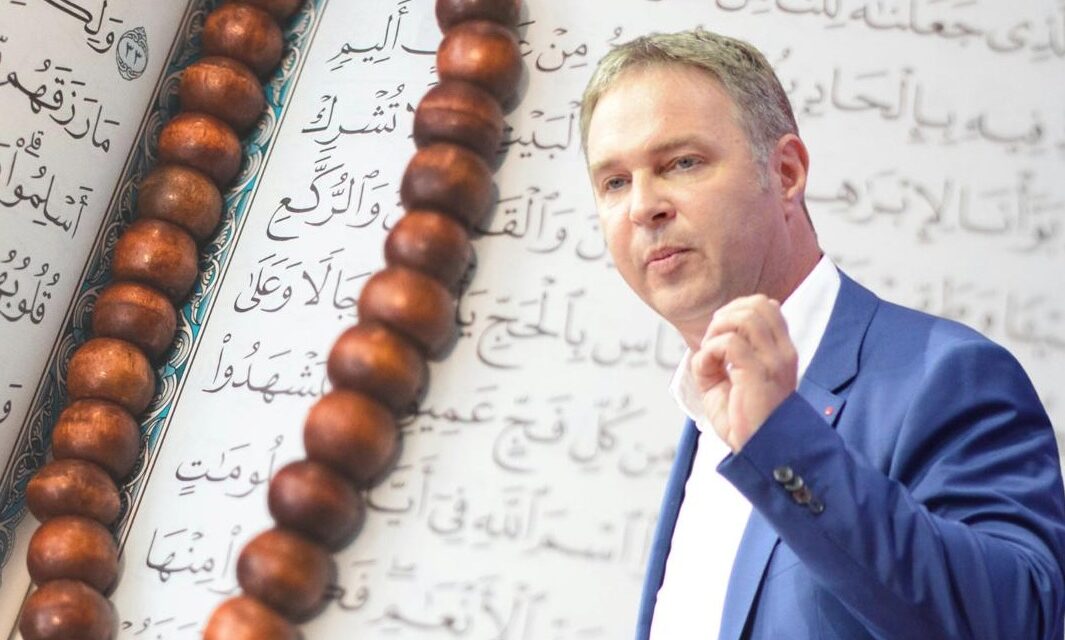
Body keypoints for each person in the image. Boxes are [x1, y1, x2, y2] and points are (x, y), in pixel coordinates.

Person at [579, 29, 1065, 639]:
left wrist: (784, 440)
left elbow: (1018, 621)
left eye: (681, 163)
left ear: (785, 172)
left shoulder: (948, 375)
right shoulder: (701, 420)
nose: (642, 206)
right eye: (614, 182)